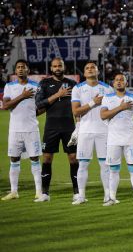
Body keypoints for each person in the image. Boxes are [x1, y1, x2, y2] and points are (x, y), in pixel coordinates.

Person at [34, 57, 78, 202]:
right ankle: (45, 193)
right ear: (51, 68)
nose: (57, 68)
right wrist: (57, 95)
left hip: (69, 127)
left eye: (60, 65)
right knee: (47, 158)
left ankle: (77, 192)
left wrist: (79, 126)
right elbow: (39, 104)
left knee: (73, 159)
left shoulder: (72, 84)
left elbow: (78, 106)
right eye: (55, 66)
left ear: (64, 67)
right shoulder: (44, 83)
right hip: (51, 126)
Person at [70, 61, 114, 204]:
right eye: (87, 68)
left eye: (92, 68)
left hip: (104, 131)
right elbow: (75, 111)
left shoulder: (107, 89)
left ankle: (108, 196)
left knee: (105, 164)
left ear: (98, 71)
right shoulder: (78, 88)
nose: (90, 70)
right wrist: (93, 102)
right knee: (82, 164)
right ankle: (81, 196)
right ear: (84, 72)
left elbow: (111, 111)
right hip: (85, 131)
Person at [1, 59, 42, 201]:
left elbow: (42, 106)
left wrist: (33, 114)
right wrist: (22, 96)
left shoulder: (36, 86)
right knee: (14, 159)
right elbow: (5, 106)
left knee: (35, 159)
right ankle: (14, 192)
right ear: (15, 70)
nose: (20, 69)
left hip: (31, 129)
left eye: (23, 67)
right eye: (18, 67)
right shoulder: (9, 86)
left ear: (27, 70)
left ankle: (38, 192)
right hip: (15, 130)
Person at [101, 72, 133, 206]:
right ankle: (112, 198)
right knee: (113, 169)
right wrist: (121, 107)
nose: (119, 82)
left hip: (130, 138)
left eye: (122, 80)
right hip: (113, 138)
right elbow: (103, 115)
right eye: (116, 80)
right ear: (113, 83)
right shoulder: (107, 98)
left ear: (126, 83)